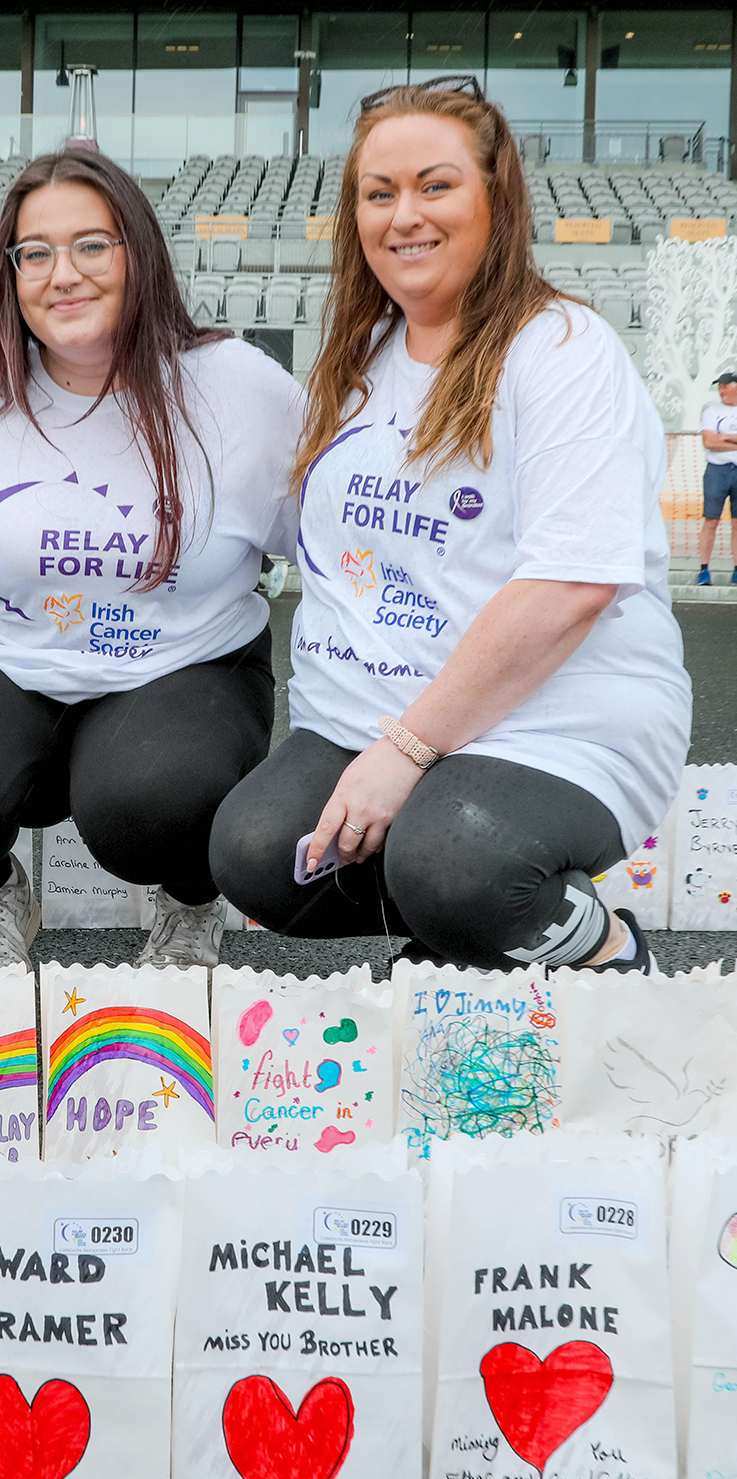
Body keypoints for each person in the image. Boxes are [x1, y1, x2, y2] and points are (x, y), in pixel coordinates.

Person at [210, 77, 691, 973]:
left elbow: (571, 585)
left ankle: (606, 951)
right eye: (378, 192)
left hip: (553, 720)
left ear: (493, 196)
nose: (404, 216)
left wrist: (405, 751)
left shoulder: (561, 350)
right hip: (372, 715)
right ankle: (462, 938)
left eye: (435, 186)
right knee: (257, 855)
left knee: (454, 862)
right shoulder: (359, 357)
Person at [0, 149, 304, 973]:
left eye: (90, 246)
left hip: (185, 663)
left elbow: (325, 544)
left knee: (151, 801)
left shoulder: (240, 388)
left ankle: (189, 903)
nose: (61, 274)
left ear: (136, 251)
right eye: (35, 252)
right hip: (7, 657)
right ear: (12, 272)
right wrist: (38, 611)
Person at [697, 371, 737, 585]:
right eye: (719, 386)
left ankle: (736, 570)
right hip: (717, 470)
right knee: (711, 520)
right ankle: (704, 569)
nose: (721, 390)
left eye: (725, 386)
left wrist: (724, 436)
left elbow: (716, 438)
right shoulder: (712, 411)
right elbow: (709, 442)